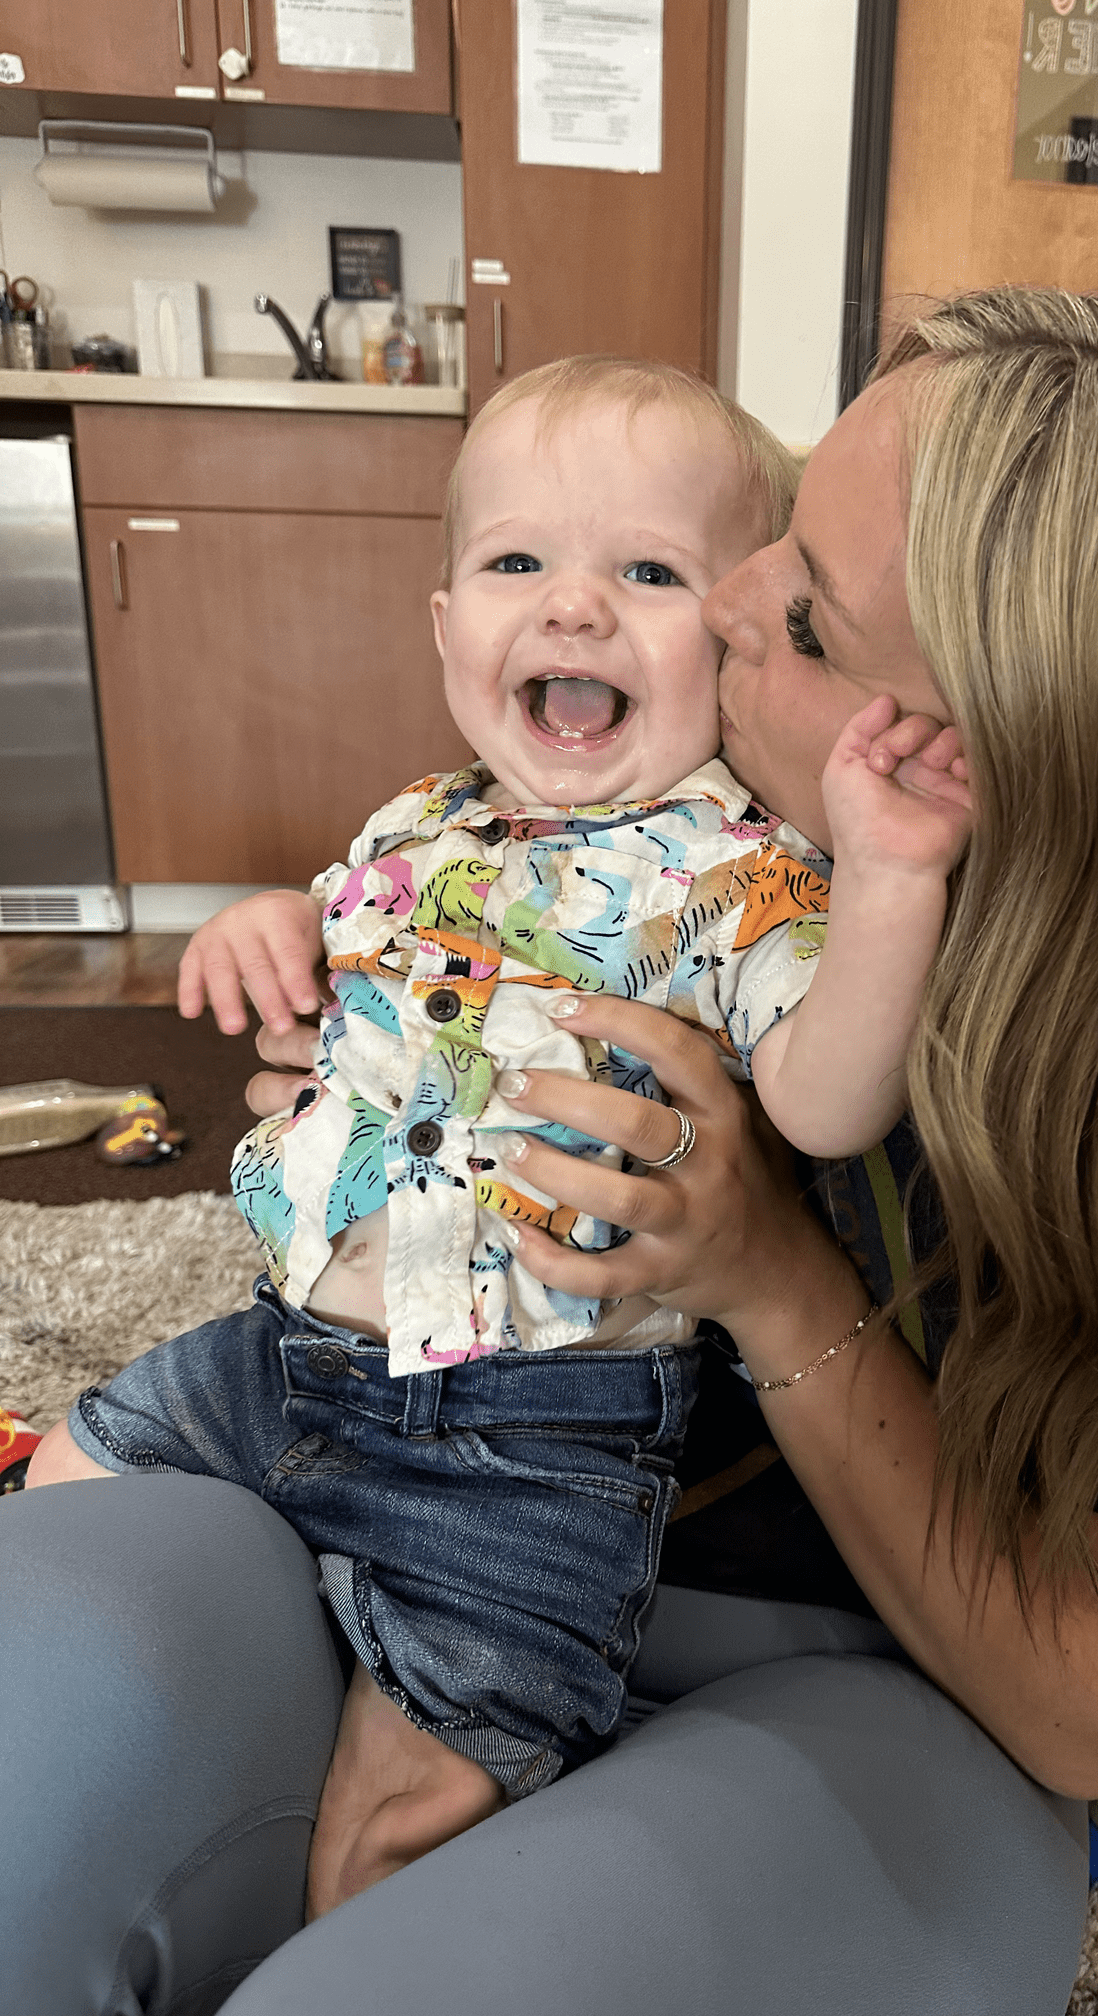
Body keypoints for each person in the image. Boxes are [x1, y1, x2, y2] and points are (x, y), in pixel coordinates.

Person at [1, 286, 1098, 2016]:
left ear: (1002, 765)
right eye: (782, 523)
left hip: (874, 1691)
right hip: (362, 1497)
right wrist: (353, 1072)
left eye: (807, 617)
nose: (723, 590)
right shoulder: (574, 836)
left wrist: (763, 1267)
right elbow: (387, 946)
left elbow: (1092, 1694)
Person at [22, 355, 971, 1914]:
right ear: (448, 626)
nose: (575, 606)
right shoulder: (419, 821)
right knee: (64, 1499)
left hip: (534, 1438)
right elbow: (336, 953)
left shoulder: (744, 869)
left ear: (731, 639)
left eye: (648, 571)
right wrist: (272, 927)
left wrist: (887, 885)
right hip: (282, 1356)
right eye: (517, 561)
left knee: (403, 1832)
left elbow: (825, 1096)